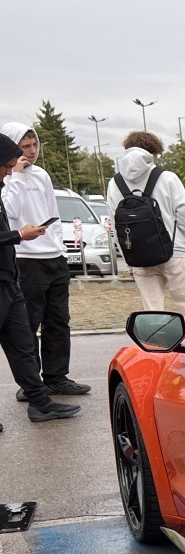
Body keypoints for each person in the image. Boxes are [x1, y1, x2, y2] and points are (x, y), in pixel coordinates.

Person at [2, 121, 91, 402]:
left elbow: (52, 212)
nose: (31, 151)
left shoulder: (41, 175)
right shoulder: (7, 178)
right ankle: (30, 383)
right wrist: (15, 175)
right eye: (24, 147)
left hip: (54, 257)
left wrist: (60, 248)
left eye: (34, 145)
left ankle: (56, 377)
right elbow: (12, 210)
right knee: (27, 323)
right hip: (27, 258)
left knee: (59, 321)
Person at [106, 131, 185, 340]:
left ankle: (157, 355)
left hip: (139, 256)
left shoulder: (114, 184)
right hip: (174, 252)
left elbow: (115, 224)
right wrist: (182, 246)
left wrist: (128, 259)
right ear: (153, 153)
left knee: (152, 312)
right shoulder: (167, 178)